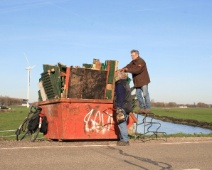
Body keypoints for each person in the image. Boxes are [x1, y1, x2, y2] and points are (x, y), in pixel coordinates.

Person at [114, 71, 132, 146]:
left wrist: (118, 107)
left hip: (122, 106)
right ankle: (122, 139)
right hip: (128, 107)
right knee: (123, 123)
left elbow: (120, 97)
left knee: (122, 123)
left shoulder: (120, 84)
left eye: (118, 75)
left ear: (120, 76)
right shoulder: (127, 84)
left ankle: (125, 140)